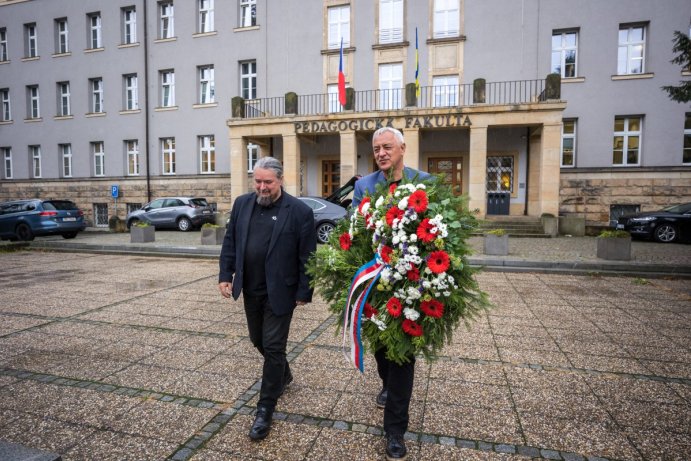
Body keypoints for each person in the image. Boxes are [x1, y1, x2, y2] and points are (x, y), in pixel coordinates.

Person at [218, 156, 317, 440]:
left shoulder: (298, 211)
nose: (262, 187)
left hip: (282, 292)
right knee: (257, 340)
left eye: (268, 182)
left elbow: (307, 256)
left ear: (280, 181)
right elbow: (230, 242)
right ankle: (283, 374)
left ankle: (265, 409)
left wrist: (304, 291)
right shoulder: (241, 204)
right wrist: (226, 274)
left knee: (273, 347)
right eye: (258, 181)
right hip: (251, 288)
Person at [352, 127, 430, 461]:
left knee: (403, 356)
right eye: (376, 148)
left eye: (387, 147)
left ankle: (395, 431)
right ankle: (386, 382)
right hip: (375, 284)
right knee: (382, 350)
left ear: (402, 147)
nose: (381, 152)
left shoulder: (425, 181)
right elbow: (354, 231)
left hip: (412, 284)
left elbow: (436, 227)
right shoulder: (364, 186)